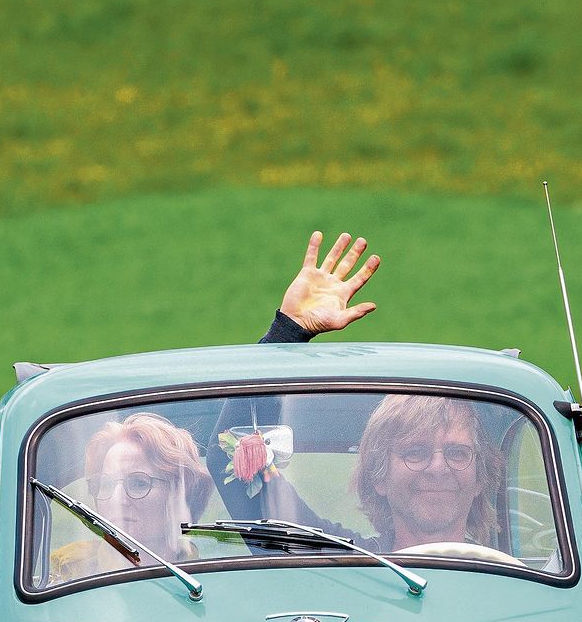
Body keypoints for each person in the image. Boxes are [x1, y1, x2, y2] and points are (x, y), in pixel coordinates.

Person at [209, 231, 502, 552]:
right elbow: (234, 457)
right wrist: (288, 331)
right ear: (379, 478)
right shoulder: (342, 563)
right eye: (415, 453)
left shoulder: (519, 580)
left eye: (458, 453)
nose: (438, 467)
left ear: (479, 478)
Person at [48, 412, 214, 584]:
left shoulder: (219, 576)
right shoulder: (67, 574)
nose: (117, 500)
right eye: (106, 484)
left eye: (139, 483)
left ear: (180, 494)